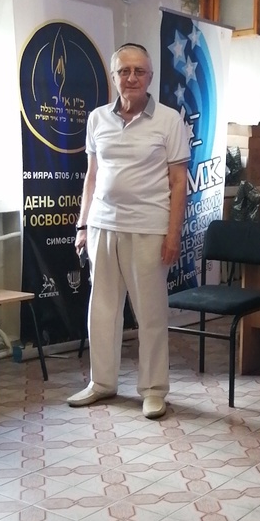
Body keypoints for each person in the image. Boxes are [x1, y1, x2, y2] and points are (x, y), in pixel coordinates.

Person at [67, 42, 189, 416]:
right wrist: (83, 225)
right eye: (124, 71)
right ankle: (101, 383)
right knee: (102, 310)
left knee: (150, 314)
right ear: (114, 76)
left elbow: (179, 182)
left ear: (150, 77)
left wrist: (173, 234)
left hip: (148, 229)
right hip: (102, 226)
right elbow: (91, 176)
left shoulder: (169, 120)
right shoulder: (97, 119)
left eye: (139, 71)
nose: (131, 77)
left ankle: (153, 389)